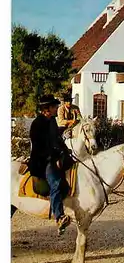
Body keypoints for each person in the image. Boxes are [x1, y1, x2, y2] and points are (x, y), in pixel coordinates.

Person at [28, 94, 72, 234]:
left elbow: (57, 140)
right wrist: (54, 158)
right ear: (47, 109)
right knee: (56, 183)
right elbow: (39, 147)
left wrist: (65, 150)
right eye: (54, 107)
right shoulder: (37, 124)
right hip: (42, 161)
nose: (56, 109)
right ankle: (59, 217)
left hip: (54, 156)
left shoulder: (52, 121)